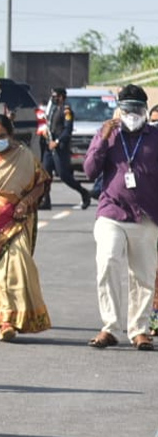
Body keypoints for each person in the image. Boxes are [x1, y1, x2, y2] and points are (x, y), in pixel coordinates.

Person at [84, 84, 158, 351]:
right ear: (118, 109)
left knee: (144, 275)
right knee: (107, 262)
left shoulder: (155, 137)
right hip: (112, 213)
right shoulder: (107, 134)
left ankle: (140, 330)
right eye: (127, 109)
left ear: (145, 110)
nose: (132, 114)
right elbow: (90, 171)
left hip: (147, 217)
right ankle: (110, 327)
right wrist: (103, 139)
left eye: (137, 109)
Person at [0, 114, 52, 341]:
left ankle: (6, 320)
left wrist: (25, 203)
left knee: (13, 268)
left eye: (1, 135)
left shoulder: (24, 157)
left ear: (11, 135)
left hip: (14, 222)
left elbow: (41, 182)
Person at [39, 87, 92, 210]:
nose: (53, 98)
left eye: (55, 96)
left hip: (59, 148)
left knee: (64, 176)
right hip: (49, 147)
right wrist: (46, 134)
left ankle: (84, 192)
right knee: (45, 175)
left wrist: (57, 142)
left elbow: (67, 131)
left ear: (62, 97)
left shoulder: (66, 111)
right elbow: (51, 126)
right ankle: (46, 200)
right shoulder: (53, 110)